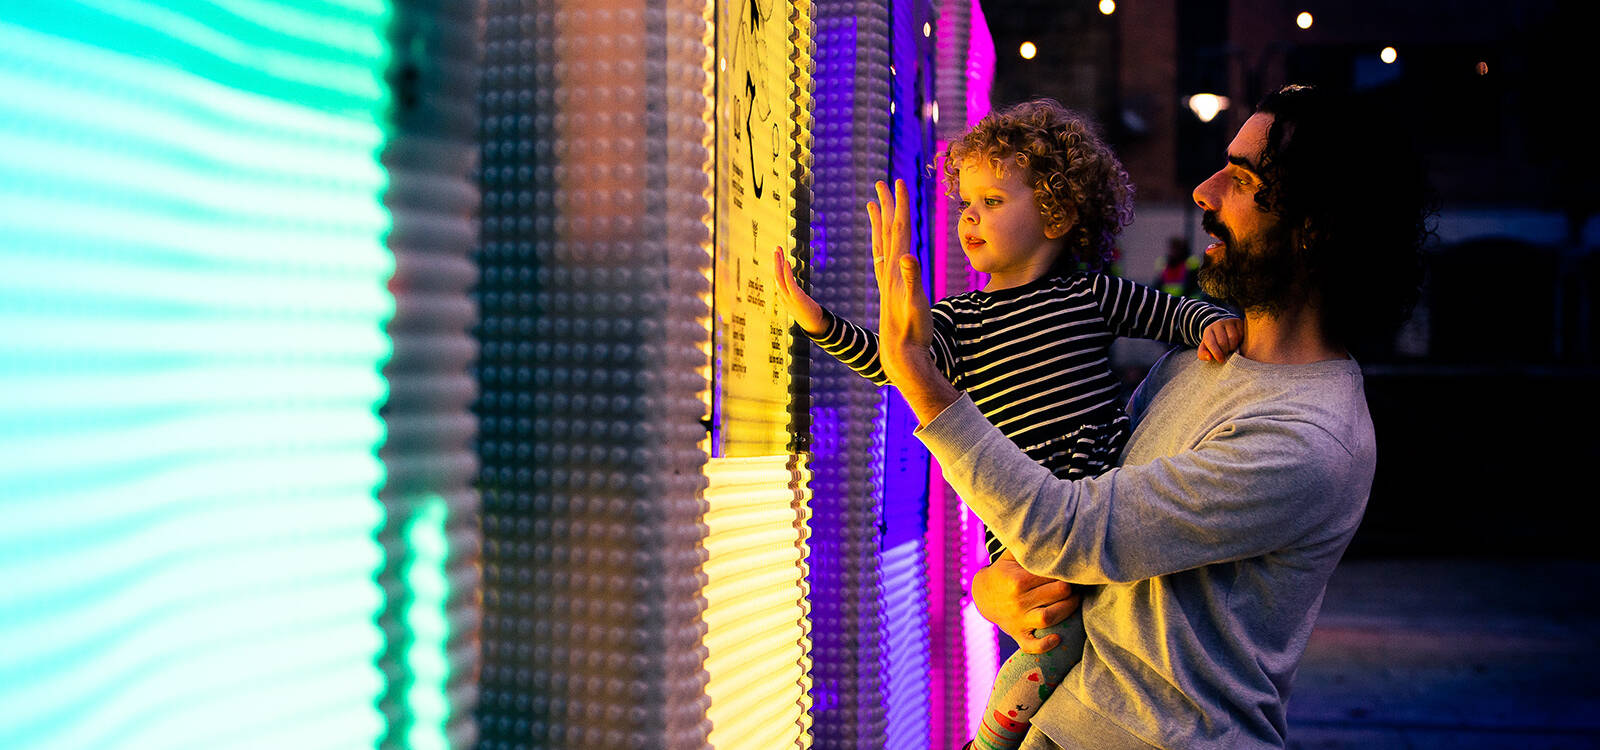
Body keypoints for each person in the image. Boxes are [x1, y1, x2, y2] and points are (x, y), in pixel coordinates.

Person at [866, 84, 1429, 749]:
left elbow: (1069, 530)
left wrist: (919, 379)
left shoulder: (1307, 439)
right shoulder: (1196, 364)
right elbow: (1077, 532)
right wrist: (995, 589)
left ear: (1315, 228)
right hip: (1064, 719)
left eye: (1242, 179)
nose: (1203, 191)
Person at [772, 99, 1244, 750]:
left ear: (1058, 212)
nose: (970, 215)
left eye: (993, 200)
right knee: (1048, 647)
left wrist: (1211, 323)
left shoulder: (1091, 294)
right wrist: (822, 324)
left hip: (1102, 517)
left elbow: (1173, 314)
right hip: (1023, 543)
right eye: (965, 202)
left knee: (1089, 653)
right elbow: (895, 361)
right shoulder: (960, 321)